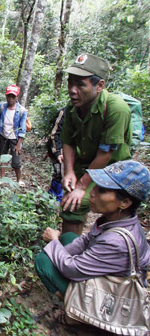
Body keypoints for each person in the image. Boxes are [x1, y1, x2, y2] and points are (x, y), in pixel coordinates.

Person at [35, 160, 150, 326]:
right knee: (68, 238)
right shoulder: (118, 219)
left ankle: (77, 315)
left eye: (102, 190)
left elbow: (72, 269)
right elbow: (84, 241)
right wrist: (59, 248)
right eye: (95, 186)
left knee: (44, 262)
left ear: (124, 202)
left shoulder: (116, 242)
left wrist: (53, 242)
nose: (92, 193)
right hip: (105, 275)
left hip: (113, 296)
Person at [60, 53, 132, 235]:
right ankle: (69, 252)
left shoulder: (116, 109)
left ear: (99, 86)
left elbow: (105, 154)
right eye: (70, 82)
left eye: (80, 85)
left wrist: (82, 187)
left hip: (113, 170)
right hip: (84, 163)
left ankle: (111, 247)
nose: (72, 90)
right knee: (70, 203)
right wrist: (69, 171)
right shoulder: (71, 108)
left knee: (89, 202)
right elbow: (68, 141)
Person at [0, 84, 28, 186]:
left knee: (16, 161)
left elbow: (22, 129)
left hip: (14, 138)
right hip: (3, 136)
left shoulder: (22, 111)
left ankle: (19, 180)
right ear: (6, 96)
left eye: (13, 96)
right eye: (9, 96)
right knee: (3, 157)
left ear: (17, 97)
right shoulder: (2, 106)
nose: (11, 98)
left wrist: (19, 144)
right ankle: (2, 178)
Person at [46, 108, 65, 202]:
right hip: (58, 149)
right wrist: (58, 152)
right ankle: (54, 199)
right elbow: (54, 134)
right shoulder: (65, 112)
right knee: (59, 173)